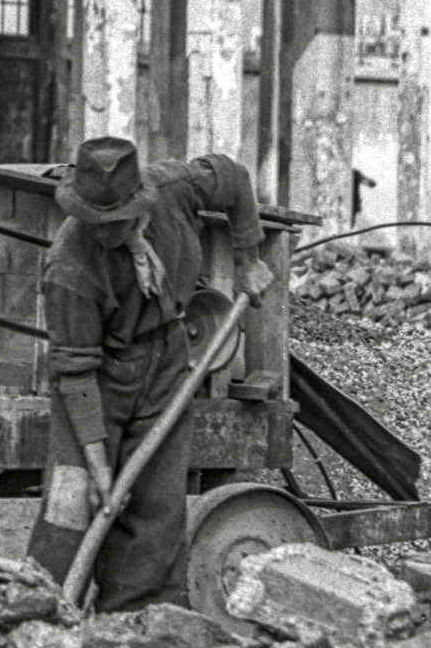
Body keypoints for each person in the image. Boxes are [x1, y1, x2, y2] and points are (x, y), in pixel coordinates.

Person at [29, 136, 268, 613]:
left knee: (156, 507)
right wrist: (98, 467)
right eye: (93, 221)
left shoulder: (175, 188)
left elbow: (236, 178)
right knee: (71, 504)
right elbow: (74, 374)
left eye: (112, 222)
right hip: (96, 381)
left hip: (166, 362)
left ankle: (135, 621)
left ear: (137, 203)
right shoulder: (69, 265)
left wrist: (248, 258)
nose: (103, 233)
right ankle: (42, 614)